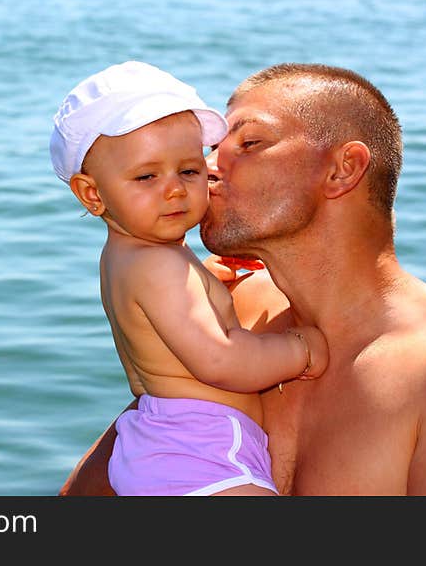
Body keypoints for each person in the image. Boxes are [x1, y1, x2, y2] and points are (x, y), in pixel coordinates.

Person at [59, 62, 426, 496]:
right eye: (209, 150)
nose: (206, 169)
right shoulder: (235, 310)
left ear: (343, 170)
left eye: (249, 143)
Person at [50, 61, 329, 496]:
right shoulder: (160, 266)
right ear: (91, 193)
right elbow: (220, 361)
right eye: (147, 176)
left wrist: (207, 279)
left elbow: (159, 327)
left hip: (162, 444)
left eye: (189, 170)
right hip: (203, 454)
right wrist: (301, 350)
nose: (175, 189)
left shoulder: (130, 257)